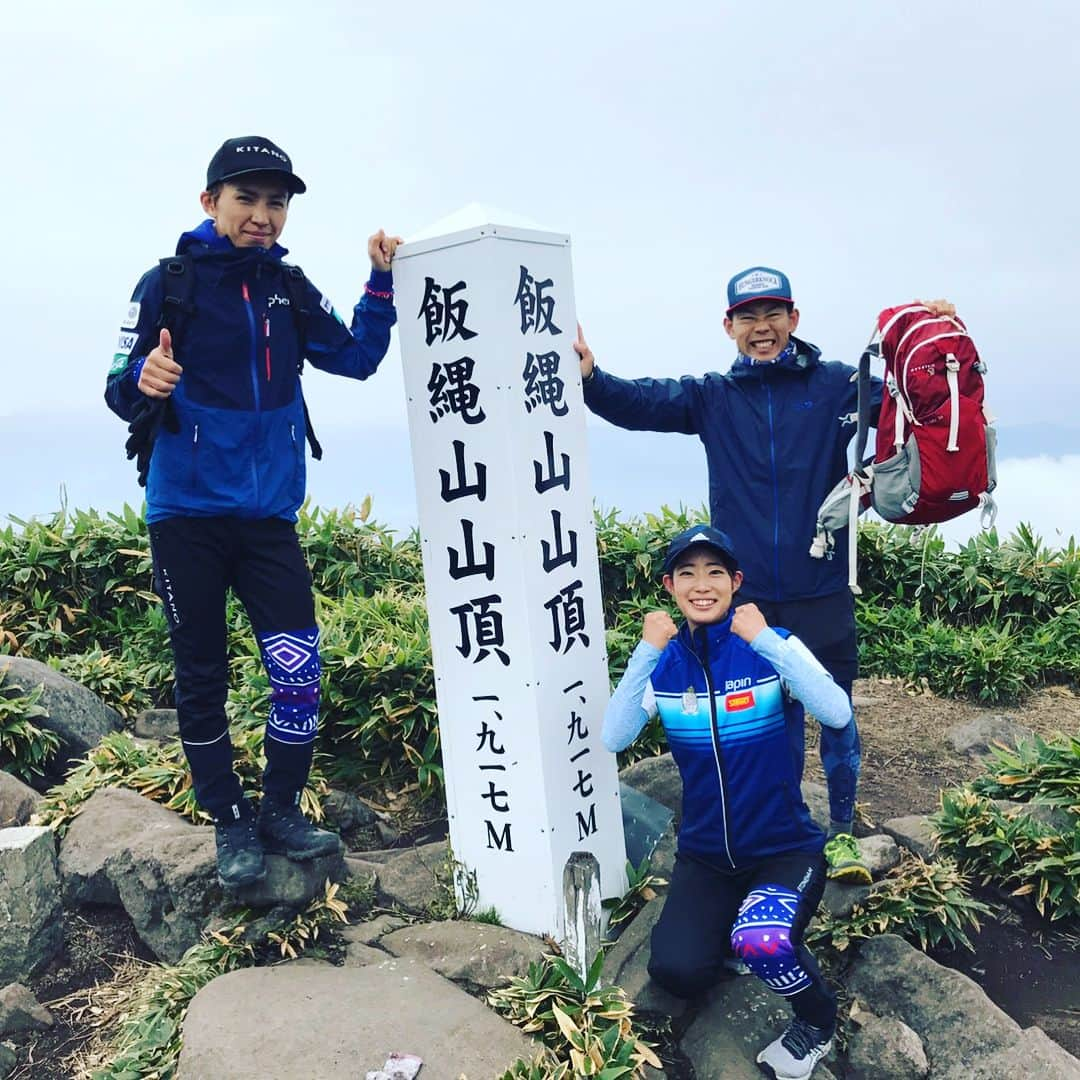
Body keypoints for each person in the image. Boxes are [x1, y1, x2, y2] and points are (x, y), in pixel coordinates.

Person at [577, 268, 956, 883]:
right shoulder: (712, 397)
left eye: (773, 313)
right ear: (728, 327)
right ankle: (777, 834)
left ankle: (839, 835)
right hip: (748, 602)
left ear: (794, 319)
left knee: (838, 717)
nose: (763, 328)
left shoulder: (839, 386)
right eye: (748, 316)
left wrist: (933, 334)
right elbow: (637, 402)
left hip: (822, 588)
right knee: (767, 725)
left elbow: (920, 398)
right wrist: (591, 376)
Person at [105, 136, 401, 888]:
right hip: (188, 517)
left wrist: (379, 281)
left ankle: (278, 809)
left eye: (276, 202)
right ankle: (229, 821)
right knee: (201, 673)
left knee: (299, 670)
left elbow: (359, 357)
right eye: (247, 199)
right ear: (211, 203)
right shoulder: (166, 283)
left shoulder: (290, 290)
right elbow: (116, 387)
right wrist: (148, 375)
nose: (263, 216)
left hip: (269, 519)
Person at [603, 526, 853, 1080]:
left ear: (735, 582)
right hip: (706, 856)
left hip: (782, 848)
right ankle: (744, 928)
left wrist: (765, 639)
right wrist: (647, 650)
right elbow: (614, 735)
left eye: (715, 572)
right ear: (670, 586)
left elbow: (835, 711)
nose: (702, 584)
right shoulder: (665, 667)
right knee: (675, 970)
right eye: (687, 573)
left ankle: (817, 1020)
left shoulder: (772, 646)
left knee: (761, 942)